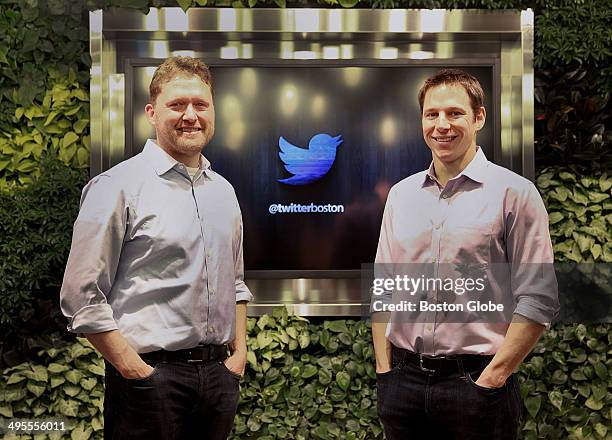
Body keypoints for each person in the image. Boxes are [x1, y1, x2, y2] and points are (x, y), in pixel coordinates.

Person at [60, 56, 252, 440]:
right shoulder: (116, 187)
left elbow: (236, 282)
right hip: (149, 382)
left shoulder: (224, 192)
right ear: (152, 112)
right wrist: (135, 370)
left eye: (201, 104)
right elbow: (81, 297)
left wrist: (238, 356)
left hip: (218, 380)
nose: (190, 116)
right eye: (177, 105)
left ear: (213, 110)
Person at [371, 69, 559, 439]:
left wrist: (492, 379)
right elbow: (384, 287)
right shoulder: (401, 195)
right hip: (403, 386)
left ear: (479, 117)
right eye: (432, 114)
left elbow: (538, 299)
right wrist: (385, 372)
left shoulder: (515, 194)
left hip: (478, 383)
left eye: (455, 113)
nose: (442, 125)